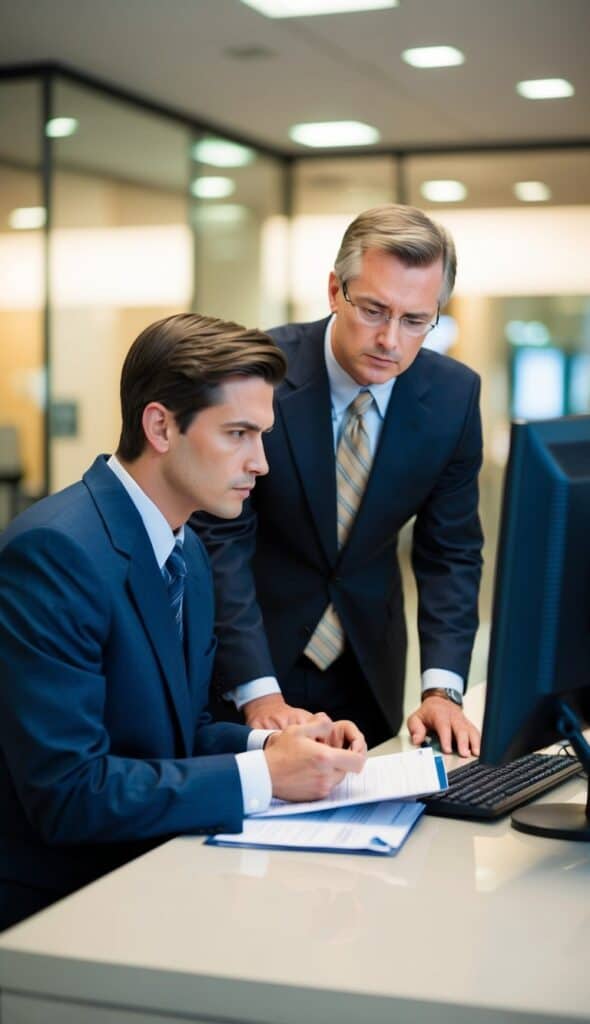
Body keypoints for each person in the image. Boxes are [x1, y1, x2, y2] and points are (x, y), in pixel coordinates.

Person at [0, 313, 365, 931]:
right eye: (238, 434)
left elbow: (178, 731)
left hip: (153, 875)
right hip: (59, 909)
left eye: (262, 435)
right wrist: (263, 775)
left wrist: (273, 745)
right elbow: (69, 792)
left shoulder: (186, 546)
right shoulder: (55, 554)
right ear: (161, 426)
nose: (261, 463)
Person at [192, 204, 483, 755]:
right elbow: (220, 539)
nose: (390, 340)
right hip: (253, 658)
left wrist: (442, 689)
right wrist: (256, 691)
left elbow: (451, 554)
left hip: (368, 663)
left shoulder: (454, 397)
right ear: (334, 290)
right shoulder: (259, 373)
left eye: (416, 320)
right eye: (374, 309)